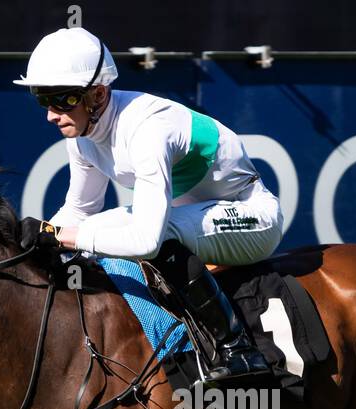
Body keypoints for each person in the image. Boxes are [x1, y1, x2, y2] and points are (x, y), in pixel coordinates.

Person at [14, 27, 281, 383]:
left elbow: (148, 241)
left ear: (97, 93)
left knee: (147, 232)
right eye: (41, 99)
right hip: (197, 218)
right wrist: (27, 245)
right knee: (93, 230)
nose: (51, 114)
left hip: (254, 217)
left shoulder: (147, 128)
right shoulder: (82, 137)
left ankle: (236, 348)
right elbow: (80, 212)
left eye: (61, 99)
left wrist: (59, 236)